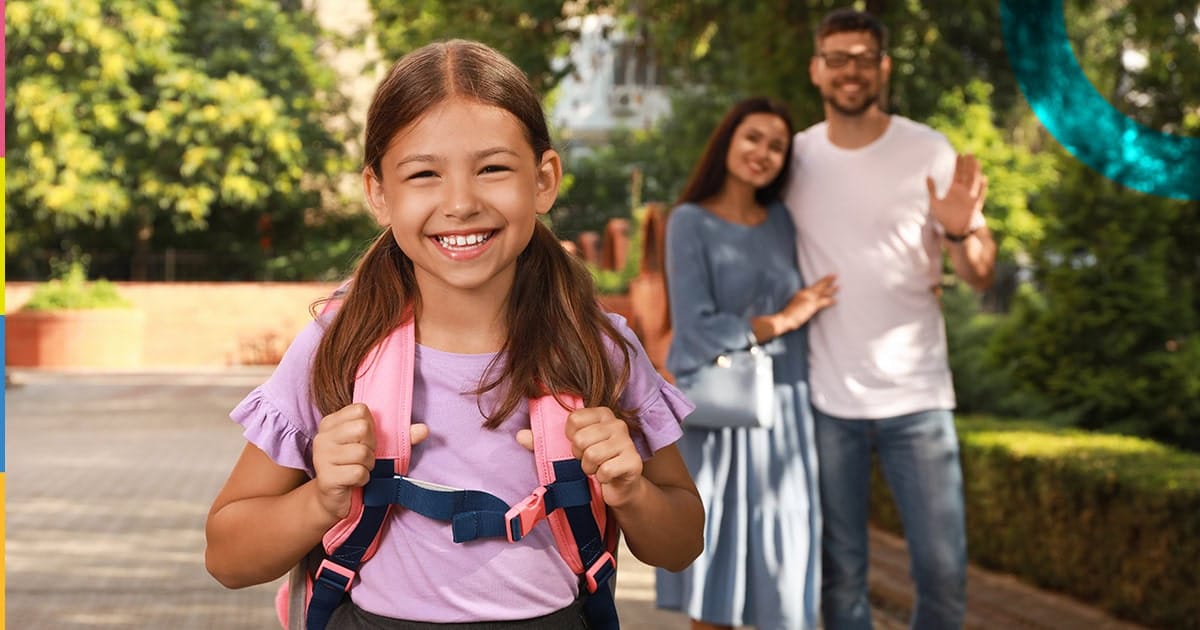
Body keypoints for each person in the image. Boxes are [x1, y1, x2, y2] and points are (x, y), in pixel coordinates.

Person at [204, 39, 704, 629]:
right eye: (424, 174)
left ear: (544, 180)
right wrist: (320, 499)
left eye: (492, 168)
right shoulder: (336, 347)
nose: (461, 203)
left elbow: (680, 544)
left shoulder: (597, 350)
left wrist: (631, 490)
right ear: (378, 192)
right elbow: (227, 558)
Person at [785, 9, 996, 630]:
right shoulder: (795, 158)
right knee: (842, 574)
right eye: (837, 57)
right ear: (817, 70)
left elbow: (981, 272)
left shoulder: (927, 149)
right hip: (827, 398)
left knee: (941, 571)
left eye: (863, 57)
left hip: (918, 398)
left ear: (884, 68)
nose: (851, 70)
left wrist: (961, 230)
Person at [654, 97, 839, 630]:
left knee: (783, 575)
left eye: (777, 146)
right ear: (729, 141)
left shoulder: (783, 220)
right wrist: (783, 320)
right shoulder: (689, 222)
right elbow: (693, 330)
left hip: (785, 412)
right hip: (722, 418)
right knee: (717, 582)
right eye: (753, 137)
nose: (763, 152)